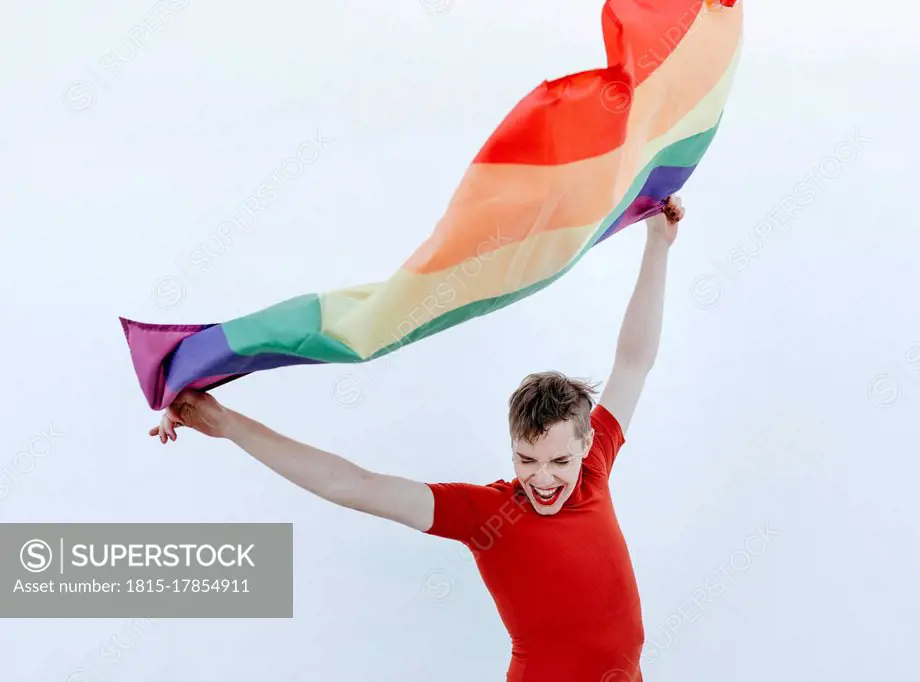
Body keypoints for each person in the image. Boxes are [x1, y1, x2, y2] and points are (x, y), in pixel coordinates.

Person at [150, 196, 685, 681]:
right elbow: (352, 484)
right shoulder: (486, 514)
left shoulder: (596, 468)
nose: (542, 478)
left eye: (559, 461)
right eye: (526, 459)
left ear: (587, 445)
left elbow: (634, 361)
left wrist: (657, 244)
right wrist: (230, 426)